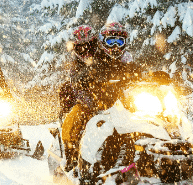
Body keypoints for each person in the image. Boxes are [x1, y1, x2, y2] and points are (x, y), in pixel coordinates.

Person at [60, 22, 145, 174]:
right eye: (110, 41)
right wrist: (87, 76)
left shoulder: (124, 58)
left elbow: (134, 70)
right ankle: (72, 154)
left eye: (119, 42)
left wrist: (150, 75)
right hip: (93, 99)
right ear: (102, 42)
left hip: (119, 101)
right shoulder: (95, 58)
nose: (115, 46)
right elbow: (80, 77)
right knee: (76, 117)